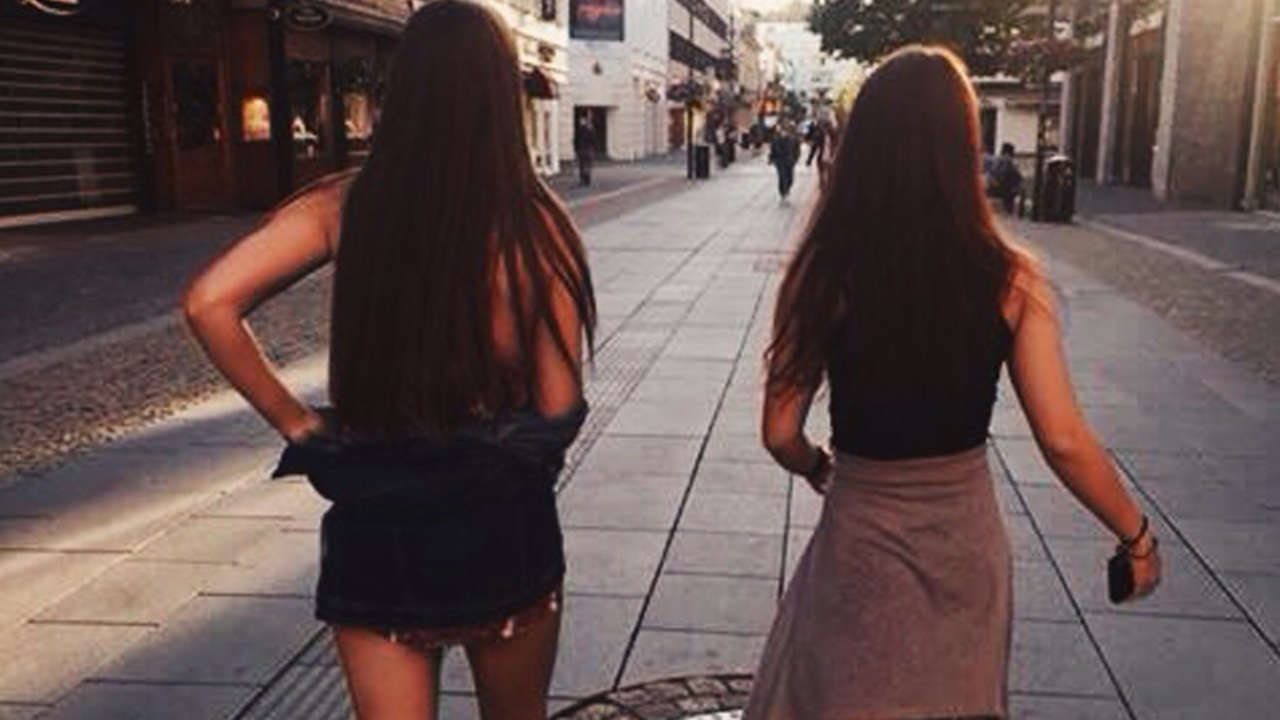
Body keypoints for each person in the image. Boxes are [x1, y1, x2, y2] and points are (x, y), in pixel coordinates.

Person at [181, 3, 596, 719]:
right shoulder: (538, 226)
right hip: (500, 527)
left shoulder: (343, 205)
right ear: (501, 96)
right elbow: (559, 408)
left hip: (379, 528)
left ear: (404, 89)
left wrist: (299, 425)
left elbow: (208, 302)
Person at [746, 46, 1160, 719]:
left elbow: (777, 431)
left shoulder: (823, 270)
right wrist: (1135, 535)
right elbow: (1062, 438)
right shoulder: (1010, 276)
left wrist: (819, 466)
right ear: (962, 145)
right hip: (964, 545)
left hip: (859, 539)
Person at [769, 122, 801, 202]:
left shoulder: (793, 139)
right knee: (782, 177)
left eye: (785, 131)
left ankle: (787, 188)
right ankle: (783, 192)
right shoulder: (776, 139)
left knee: (790, 178)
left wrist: (795, 159)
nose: (784, 132)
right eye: (782, 131)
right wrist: (772, 159)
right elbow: (773, 150)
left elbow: (797, 150)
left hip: (790, 161)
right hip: (780, 161)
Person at [992, 141, 1023, 215]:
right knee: (1008, 209)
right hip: (1007, 189)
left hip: (999, 188)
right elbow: (1006, 173)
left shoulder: (998, 159)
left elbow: (994, 171)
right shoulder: (1008, 160)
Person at [574, 116, 596, 186]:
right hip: (586, 149)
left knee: (582, 165)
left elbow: (575, 140)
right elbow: (593, 140)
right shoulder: (589, 129)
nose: (581, 122)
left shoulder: (580, 130)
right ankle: (586, 180)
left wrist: (576, 149)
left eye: (582, 121)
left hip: (583, 150)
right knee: (586, 165)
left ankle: (583, 180)